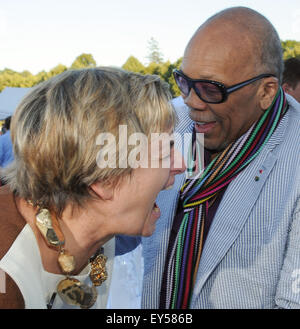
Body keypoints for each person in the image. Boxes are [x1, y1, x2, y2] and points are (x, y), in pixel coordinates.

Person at [142, 6, 300, 309]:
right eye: (184, 82)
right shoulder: (163, 122)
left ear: (266, 91)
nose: (191, 102)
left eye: (211, 89)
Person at [0, 67, 185, 309]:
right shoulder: (8, 277)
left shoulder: (95, 231)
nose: (181, 165)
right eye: (164, 151)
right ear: (104, 179)